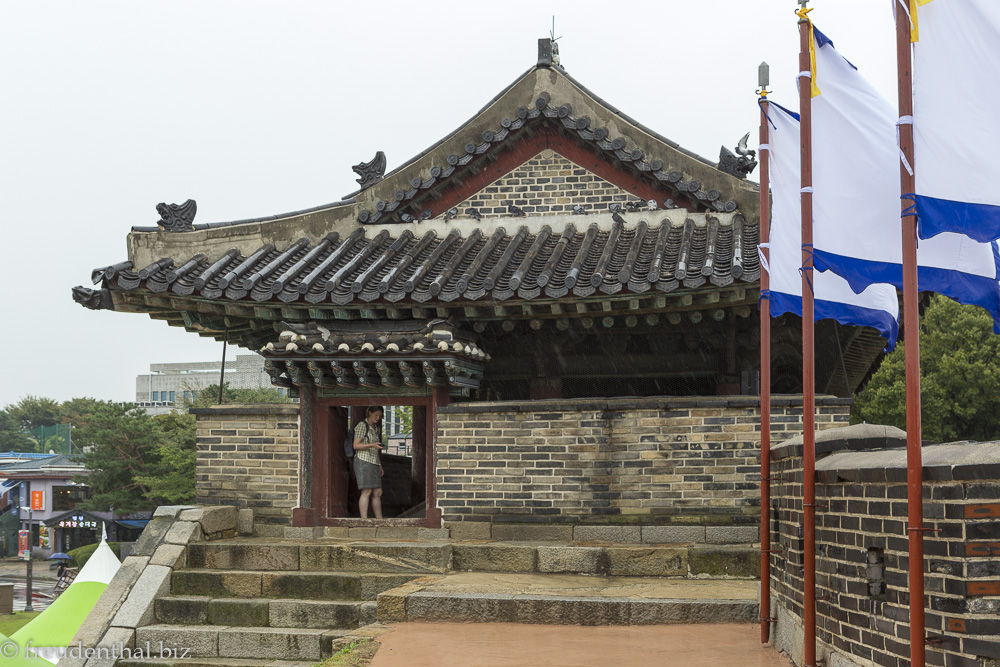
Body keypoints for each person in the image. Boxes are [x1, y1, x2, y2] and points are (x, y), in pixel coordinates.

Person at [353, 406, 384, 519]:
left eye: (380, 416)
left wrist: (379, 465)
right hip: (363, 460)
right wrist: (372, 445)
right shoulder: (362, 425)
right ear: (369, 413)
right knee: (367, 491)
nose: (378, 418)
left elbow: (376, 449)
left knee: (378, 492)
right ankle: (364, 520)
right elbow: (356, 445)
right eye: (376, 415)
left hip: (374, 461)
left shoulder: (376, 428)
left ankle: (379, 520)